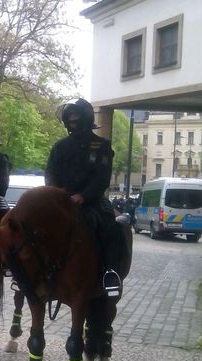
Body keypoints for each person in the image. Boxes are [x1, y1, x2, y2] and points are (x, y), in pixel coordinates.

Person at [44, 98, 124, 297]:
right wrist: (57, 193)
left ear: (87, 117)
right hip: (62, 201)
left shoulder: (101, 145)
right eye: (70, 116)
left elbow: (102, 177)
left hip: (92, 201)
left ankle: (110, 273)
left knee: (111, 228)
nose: (73, 119)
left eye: (76, 115)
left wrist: (84, 196)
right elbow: (50, 173)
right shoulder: (60, 146)